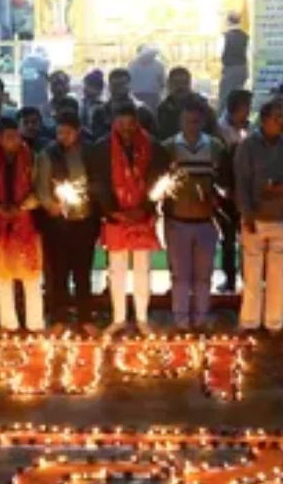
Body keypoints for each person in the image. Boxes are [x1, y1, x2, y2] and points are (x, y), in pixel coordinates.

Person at [234, 99, 283, 334]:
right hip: (254, 217)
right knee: (252, 272)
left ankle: (274, 322)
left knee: (278, 274)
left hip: (282, 217)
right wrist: (246, 215)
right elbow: (241, 183)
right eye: (277, 117)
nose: (281, 121)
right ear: (264, 119)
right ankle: (249, 321)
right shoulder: (248, 146)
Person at [95, 102, 167, 336]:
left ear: (137, 122)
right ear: (114, 123)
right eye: (122, 124)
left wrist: (145, 207)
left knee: (142, 268)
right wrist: (112, 210)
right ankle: (118, 318)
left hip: (142, 215)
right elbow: (98, 183)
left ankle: (142, 318)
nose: (127, 129)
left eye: (131, 124)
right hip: (116, 216)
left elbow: (159, 180)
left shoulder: (153, 147)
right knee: (116, 269)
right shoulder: (102, 148)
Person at [163, 95, 227, 331]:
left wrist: (217, 198)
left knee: (203, 275)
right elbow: (160, 183)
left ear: (203, 122)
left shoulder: (215, 147)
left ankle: (200, 318)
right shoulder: (169, 147)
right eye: (188, 120)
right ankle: (180, 321)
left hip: (206, 221)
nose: (193, 125)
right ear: (181, 121)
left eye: (197, 121)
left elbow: (224, 181)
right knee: (180, 275)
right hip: (177, 221)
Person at [0, 118, 43, 332]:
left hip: (25, 222)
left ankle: (34, 323)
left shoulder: (31, 157)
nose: (14, 140)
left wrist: (23, 206)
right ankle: (9, 322)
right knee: (3, 276)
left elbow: (39, 188)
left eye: (16, 136)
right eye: (8, 137)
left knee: (31, 275)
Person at [36, 109, 100, 336]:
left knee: (83, 272)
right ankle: (59, 317)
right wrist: (51, 205)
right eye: (59, 132)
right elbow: (42, 188)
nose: (62, 137)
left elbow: (96, 182)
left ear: (78, 132)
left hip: (84, 221)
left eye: (67, 132)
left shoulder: (89, 152)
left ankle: (85, 317)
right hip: (58, 224)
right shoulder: (48, 154)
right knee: (59, 272)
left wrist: (88, 196)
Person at [217, 89, 252, 292]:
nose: (248, 112)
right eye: (245, 107)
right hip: (228, 193)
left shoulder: (251, 129)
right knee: (228, 238)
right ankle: (229, 278)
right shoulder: (221, 130)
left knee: (248, 238)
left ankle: (249, 277)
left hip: (247, 191)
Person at [91, 69, 156, 140]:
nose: (118, 88)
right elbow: (96, 140)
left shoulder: (143, 111)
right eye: (115, 85)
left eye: (122, 84)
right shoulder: (100, 112)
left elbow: (153, 138)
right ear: (109, 87)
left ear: (130, 86)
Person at [157, 68, 217, 141]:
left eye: (184, 83)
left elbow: (214, 136)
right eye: (176, 83)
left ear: (189, 84)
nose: (180, 87)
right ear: (169, 84)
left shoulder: (202, 107)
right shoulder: (162, 109)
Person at [218, 13, 249, 113]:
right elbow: (249, 53)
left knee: (225, 98)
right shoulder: (246, 37)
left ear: (228, 22)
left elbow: (219, 53)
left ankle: (221, 122)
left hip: (230, 69)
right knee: (239, 97)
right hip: (243, 69)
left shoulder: (224, 37)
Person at [128, 45, 166, 112]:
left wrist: (161, 94)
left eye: (154, 54)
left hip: (153, 95)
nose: (153, 56)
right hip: (136, 95)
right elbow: (128, 81)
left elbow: (162, 82)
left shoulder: (159, 65)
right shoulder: (132, 65)